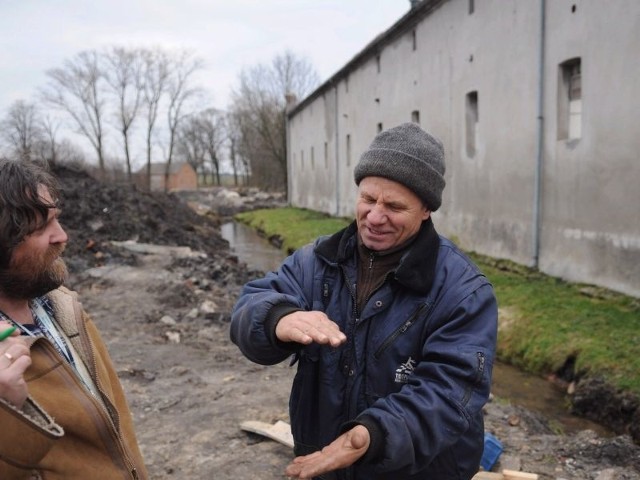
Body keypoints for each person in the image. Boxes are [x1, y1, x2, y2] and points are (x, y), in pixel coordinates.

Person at [230, 122, 498, 480]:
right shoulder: (315, 262)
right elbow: (250, 306)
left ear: (426, 210)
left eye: (394, 206)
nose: (374, 217)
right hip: (325, 463)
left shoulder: (464, 291)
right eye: (368, 199)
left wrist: (375, 434)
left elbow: (450, 393)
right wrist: (277, 319)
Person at [0, 159, 148, 479]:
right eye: (40, 227)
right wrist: (6, 411)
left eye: (57, 219)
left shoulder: (64, 308)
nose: (62, 237)